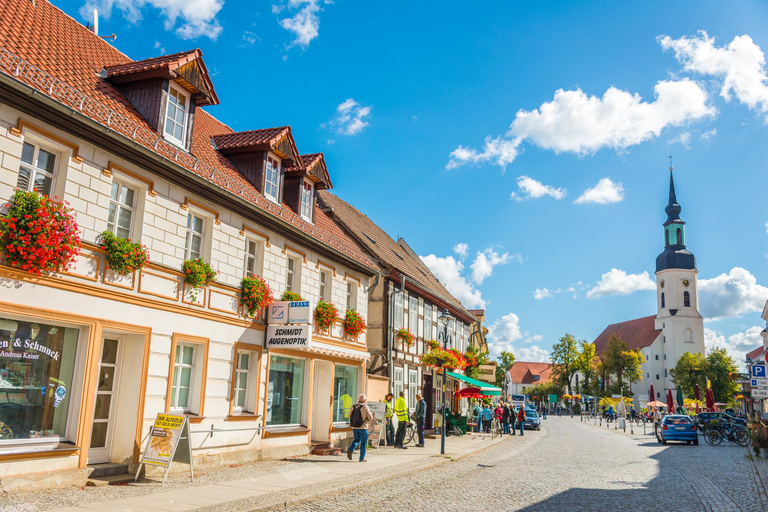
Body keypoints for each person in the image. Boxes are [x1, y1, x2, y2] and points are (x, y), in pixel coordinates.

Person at [347, 394, 372, 462]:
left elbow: (349, 416)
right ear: (364, 400)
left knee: (356, 440)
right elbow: (370, 417)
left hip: (354, 427)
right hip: (363, 427)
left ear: (358, 399)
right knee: (363, 443)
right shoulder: (365, 407)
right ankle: (361, 458)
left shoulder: (353, 406)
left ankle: (351, 449)